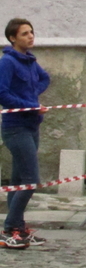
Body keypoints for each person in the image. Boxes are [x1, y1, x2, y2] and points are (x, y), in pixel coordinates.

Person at [0, 18, 50, 249]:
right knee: (31, 181)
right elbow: (2, 93)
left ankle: (18, 228)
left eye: (31, 32)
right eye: (24, 34)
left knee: (19, 181)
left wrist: (32, 96)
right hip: (15, 127)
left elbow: (44, 78)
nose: (30, 36)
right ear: (13, 38)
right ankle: (9, 228)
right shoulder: (8, 62)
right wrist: (28, 104)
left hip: (32, 125)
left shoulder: (30, 61)